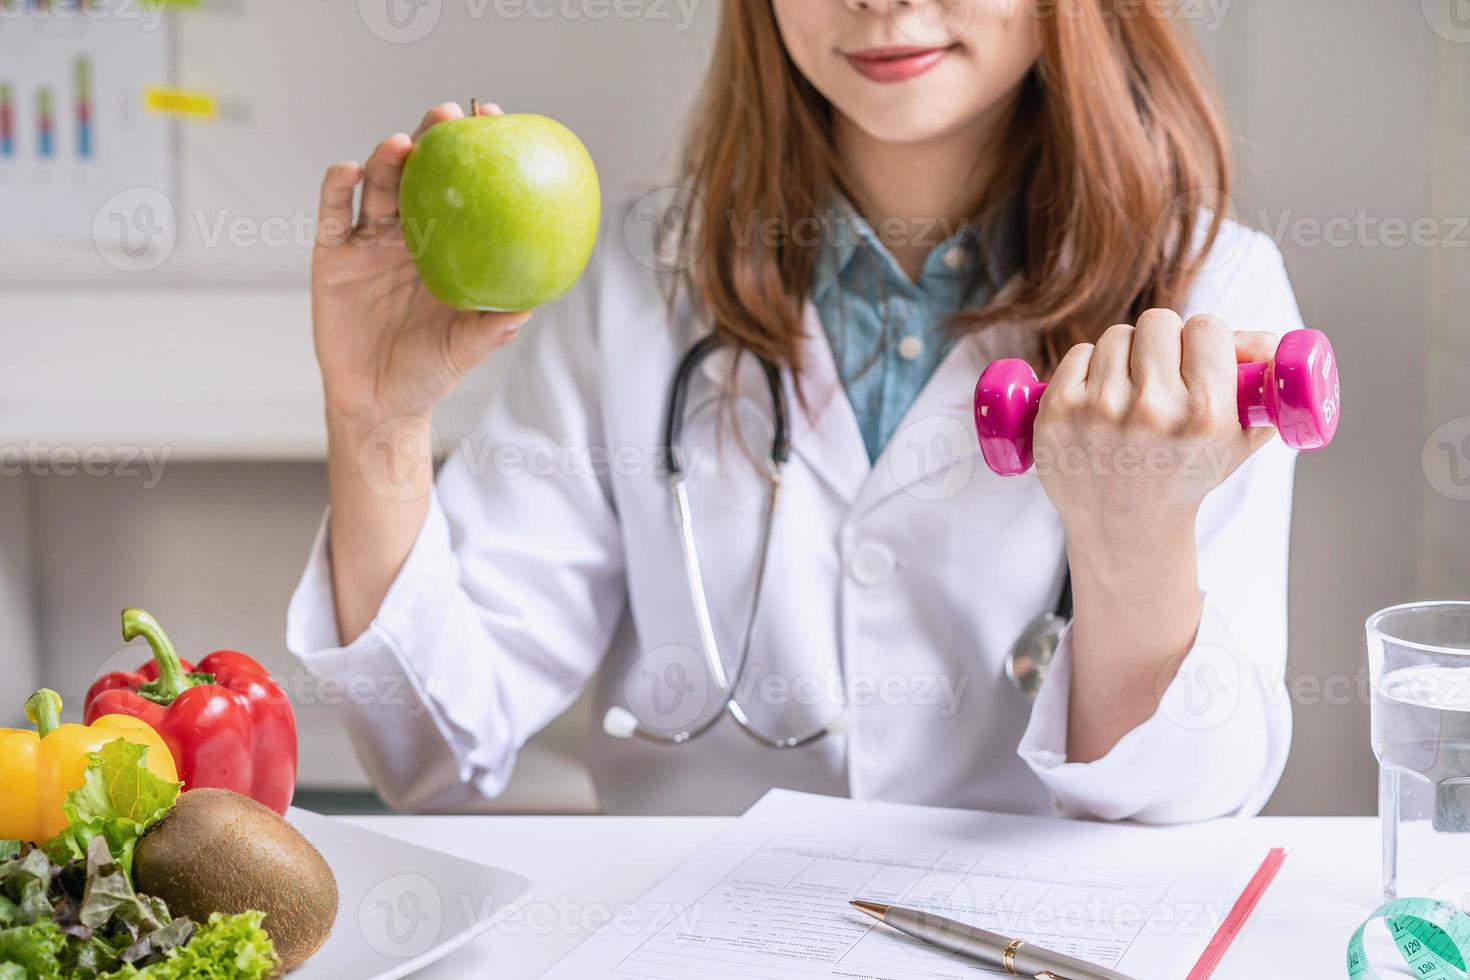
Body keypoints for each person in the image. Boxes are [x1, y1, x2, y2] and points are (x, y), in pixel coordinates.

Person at [288, 0, 1301, 820]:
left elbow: (1187, 803)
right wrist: (376, 418)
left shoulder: (1211, 296)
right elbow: (430, 747)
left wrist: (1133, 535)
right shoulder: (646, 275)